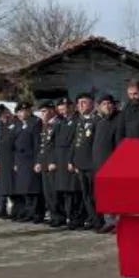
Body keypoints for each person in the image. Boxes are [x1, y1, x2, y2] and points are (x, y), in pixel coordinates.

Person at [93, 94, 122, 234]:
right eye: (103, 104)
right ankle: (108, 221)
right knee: (104, 194)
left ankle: (118, 222)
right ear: (99, 106)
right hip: (100, 163)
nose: (107, 106)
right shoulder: (99, 122)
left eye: (109, 103)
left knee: (117, 195)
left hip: (114, 162)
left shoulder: (119, 120)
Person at [52, 97, 83, 229]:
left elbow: (76, 142)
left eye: (66, 108)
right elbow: (53, 142)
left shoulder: (77, 121)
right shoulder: (60, 122)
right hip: (60, 159)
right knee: (64, 190)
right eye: (61, 109)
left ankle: (76, 218)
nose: (63, 111)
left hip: (70, 158)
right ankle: (66, 216)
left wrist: (72, 160)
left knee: (73, 190)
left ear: (71, 107)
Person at [71, 93, 100, 229]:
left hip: (92, 164)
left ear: (92, 104)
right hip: (81, 164)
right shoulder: (79, 121)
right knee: (86, 195)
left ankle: (99, 220)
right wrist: (74, 161)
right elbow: (76, 143)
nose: (81, 105)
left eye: (84, 102)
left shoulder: (97, 120)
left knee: (95, 194)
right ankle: (93, 219)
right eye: (79, 103)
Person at [12, 102, 44, 223]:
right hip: (20, 160)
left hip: (31, 159)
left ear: (29, 112)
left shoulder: (35, 123)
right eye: (19, 111)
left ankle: (37, 213)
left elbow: (37, 144)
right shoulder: (19, 125)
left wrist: (37, 161)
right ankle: (29, 211)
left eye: (24, 111)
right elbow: (15, 145)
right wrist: (15, 162)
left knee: (33, 188)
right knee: (24, 188)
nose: (21, 114)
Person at [36, 101, 64, 227]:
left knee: (54, 192)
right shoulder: (45, 125)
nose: (42, 114)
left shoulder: (58, 123)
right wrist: (39, 162)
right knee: (47, 192)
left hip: (52, 164)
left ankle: (60, 216)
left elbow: (55, 145)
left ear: (52, 111)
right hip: (44, 163)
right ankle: (53, 215)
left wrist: (53, 161)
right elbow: (42, 146)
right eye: (41, 112)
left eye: (45, 111)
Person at [0, 105, 15, 219]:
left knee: (11, 186)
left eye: (4, 115)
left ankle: (11, 209)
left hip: (13, 160)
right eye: (1, 117)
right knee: (4, 186)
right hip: (3, 160)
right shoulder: (3, 126)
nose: (3, 118)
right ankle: (2, 209)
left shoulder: (14, 123)